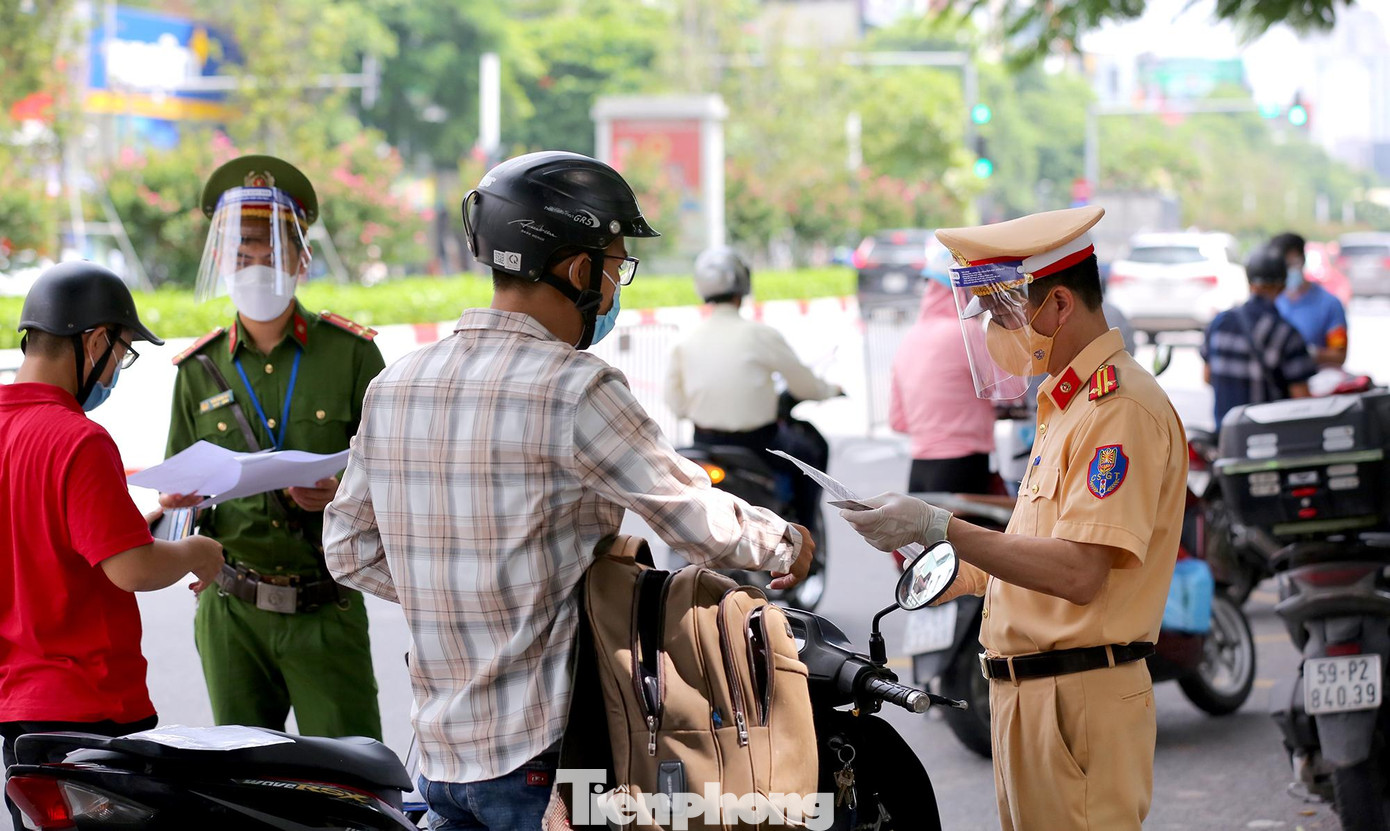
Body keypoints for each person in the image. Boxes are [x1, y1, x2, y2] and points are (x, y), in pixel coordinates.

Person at [323, 151, 814, 831]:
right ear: (579, 270)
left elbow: (347, 549)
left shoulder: (395, 384)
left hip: (440, 754)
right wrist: (785, 541)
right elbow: (693, 516)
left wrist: (457, 594)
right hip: (546, 757)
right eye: (616, 266)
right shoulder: (575, 387)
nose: (615, 288)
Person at [841, 206, 1187, 830]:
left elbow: (1079, 573)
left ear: (1059, 304)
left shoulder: (1117, 409)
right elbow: (1036, 546)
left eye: (1003, 314)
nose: (996, 331)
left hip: (1076, 696)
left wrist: (941, 527)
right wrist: (946, 566)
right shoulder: (1068, 402)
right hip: (1030, 695)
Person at [160, 154, 386, 740]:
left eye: (274, 255)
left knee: (348, 777)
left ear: (302, 260)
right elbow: (179, 493)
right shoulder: (198, 368)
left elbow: (396, 478)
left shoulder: (352, 355)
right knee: (241, 778)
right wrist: (179, 515)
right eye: (242, 257)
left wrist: (341, 496)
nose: (257, 269)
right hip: (231, 610)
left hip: (325, 607)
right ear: (219, 262)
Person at [2, 262, 224, 828]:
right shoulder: (77, 438)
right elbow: (132, 570)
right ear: (96, 341)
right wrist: (197, 551)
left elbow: (40, 535)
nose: (115, 369)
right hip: (84, 707)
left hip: (16, 709)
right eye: (123, 352)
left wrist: (135, 528)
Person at [665, 245, 842, 525]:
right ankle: (805, 534)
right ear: (743, 285)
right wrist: (829, 390)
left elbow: (676, 404)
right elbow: (805, 386)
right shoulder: (760, 335)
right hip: (760, 445)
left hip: (704, 445)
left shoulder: (686, 342)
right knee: (809, 453)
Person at [889, 270, 996, 493]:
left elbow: (897, 421)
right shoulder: (966, 331)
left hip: (919, 469)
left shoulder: (910, 338)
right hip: (963, 465)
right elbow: (999, 387)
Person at [1202, 244, 1316, 427]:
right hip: (1269, 437)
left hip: (1225, 435)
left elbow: (1207, 377)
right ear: (1282, 285)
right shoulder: (1286, 333)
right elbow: (1301, 398)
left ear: (1249, 281)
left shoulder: (1219, 323)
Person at [1270, 231, 1348, 368]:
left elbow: (1339, 355)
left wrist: (1310, 353)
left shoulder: (1329, 304)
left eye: (1292, 264)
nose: (1288, 270)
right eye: (1284, 266)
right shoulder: (1271, 301)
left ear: (1303, 260)